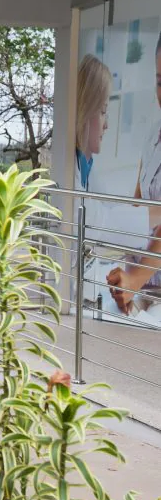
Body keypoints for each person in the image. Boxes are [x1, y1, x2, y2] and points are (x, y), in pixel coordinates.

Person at [107, 39, 161, 314]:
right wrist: (126, 278)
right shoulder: (152, 135)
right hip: (145, 285)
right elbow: (138, 204)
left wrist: (135, 279)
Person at [74, 54, 112, 192]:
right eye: (102, 111)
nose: (106, 125)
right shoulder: (69, 171)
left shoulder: (87, 165)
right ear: (86, 109)